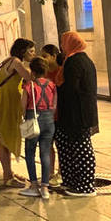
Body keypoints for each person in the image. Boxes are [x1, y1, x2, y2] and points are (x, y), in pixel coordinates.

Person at [0, 38, 36, 187]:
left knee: (6, 136)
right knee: (5, 137)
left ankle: (8, 172)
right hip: (6, 102)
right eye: (31, 51)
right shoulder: (16, 62)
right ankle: (7, 176)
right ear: (23, 51)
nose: (34, 54)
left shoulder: (10, 60)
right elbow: (30, 78)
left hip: (7, 100)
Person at [55, 31, 99, 197]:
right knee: (72, 147)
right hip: (79, 112)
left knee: (81, 148)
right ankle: (73, 183)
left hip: (77, 113)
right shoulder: (83, 59)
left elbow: (71, 88)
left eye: (63, 42)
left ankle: (85, 186)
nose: (61, 46)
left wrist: (56, 89)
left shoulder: (74, 61)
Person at [19, 57, 57, 200]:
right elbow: (54, 104)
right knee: (45, 153)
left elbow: (23, 106)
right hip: (49, 120)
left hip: (32, 119)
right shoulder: (51, 85)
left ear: (32, 71)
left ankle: (34, 185)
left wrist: (24, 118)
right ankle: (45, 188)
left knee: (29, 151)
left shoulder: (29, 86)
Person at [41, 44, 65, 187]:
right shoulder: (43, 73)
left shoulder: (61, 72)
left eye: (45, 56)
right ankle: (50, 174)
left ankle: (61, 173)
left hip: (58, 115)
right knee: (48, 145)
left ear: (54, 56)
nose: (43, 59)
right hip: (46, 115)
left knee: (60, 145)